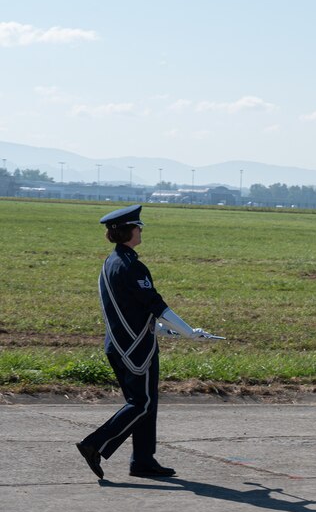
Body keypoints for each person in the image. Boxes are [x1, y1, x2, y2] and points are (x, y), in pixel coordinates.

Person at [76, 205, 221, 480]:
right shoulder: (132, 267)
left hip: (123, 343)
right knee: (140, 403)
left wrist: (168, 333)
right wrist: (189, 332)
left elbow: (132, 311)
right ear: (129, 231)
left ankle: (143, 460)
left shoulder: (112, 262)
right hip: (134, 350)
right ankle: (94, 444)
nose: (140, 230)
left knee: (147, 403)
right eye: (137, 226)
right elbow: (157, 307)